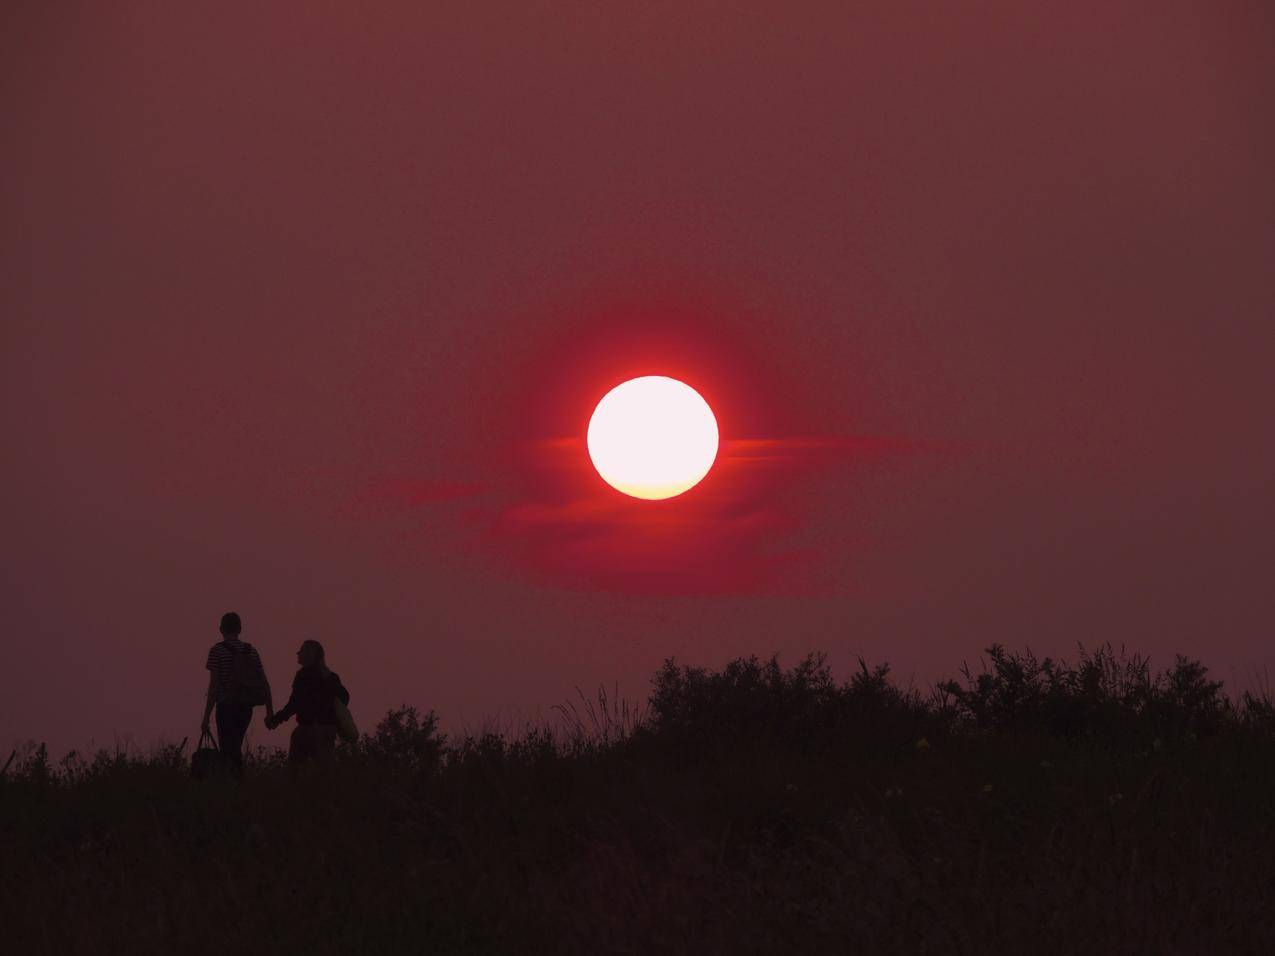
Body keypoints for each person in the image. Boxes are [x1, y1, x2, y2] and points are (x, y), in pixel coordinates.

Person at [201, 611, 273, 777]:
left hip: (226, 706)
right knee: (235, 746)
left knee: (228, 749)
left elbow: (213, 687)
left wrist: (206, 717)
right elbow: (265, 683)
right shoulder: (251, 651)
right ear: (240, 629)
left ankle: (234, 783)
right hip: (246, 707)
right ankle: (237, 782)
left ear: (221, 629)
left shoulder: (217, 651)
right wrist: (270, 711)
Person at [266, 639, 350, 765]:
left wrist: (276, 719)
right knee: (323, 773)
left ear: (310, 655)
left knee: (297, 773)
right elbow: (345, 698)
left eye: (301, 650)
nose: (298, 653)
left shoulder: (303, 676)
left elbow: (294, 704)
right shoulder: (332, 677)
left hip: (307, 730)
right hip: (328, 730)